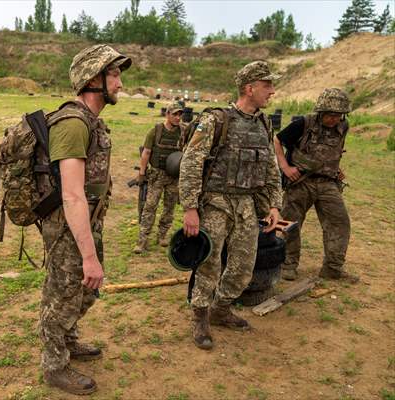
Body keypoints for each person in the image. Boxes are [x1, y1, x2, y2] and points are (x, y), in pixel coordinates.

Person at [39, 44, 131, 395]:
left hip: (86, 223)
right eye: (115, 74)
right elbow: (72, 195)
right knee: (62, 296)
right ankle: (55, 366)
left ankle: (68, 340)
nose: (120, 83)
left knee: (85, 292)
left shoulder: (92, 121)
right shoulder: (73, 123)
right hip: (67, 227)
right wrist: (88, 256)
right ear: (94, 78)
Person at [179, 61, 282, 350]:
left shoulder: (264, 123)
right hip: (215, 203)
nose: (271, 91)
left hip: (246, 205)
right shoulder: (215, 120)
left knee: (242, 267)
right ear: (249, 88)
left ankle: (221, 309)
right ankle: (200, 315)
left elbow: (271, 167)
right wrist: (190, 208)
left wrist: (274, 204)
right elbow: (191, 162)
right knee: (209, 264)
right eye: (267, 85)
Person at [274, 88, 358, 283]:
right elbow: (277, 140)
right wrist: (285, 167)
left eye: (338, 115)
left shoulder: (343, 126)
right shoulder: (303, 123)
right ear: (321, 112)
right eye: (330, 115)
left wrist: (335, 168)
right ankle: (288, 264)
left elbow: (333, 150)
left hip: (328, 184)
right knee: (289, 224)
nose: (333, 119)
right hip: (300, 182)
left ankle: (332, 268)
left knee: (340, 223)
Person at [133, 102, 184, 253]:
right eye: (174, 114)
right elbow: (146, 153)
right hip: (157, 175)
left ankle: (162, 235)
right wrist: (142, 173)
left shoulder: (183, 131)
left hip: (174, 177)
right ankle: (142, 240)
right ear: (167, 114)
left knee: (169, 207)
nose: (177, 117)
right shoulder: (155, 131)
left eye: (180, 114)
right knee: (149, 207)